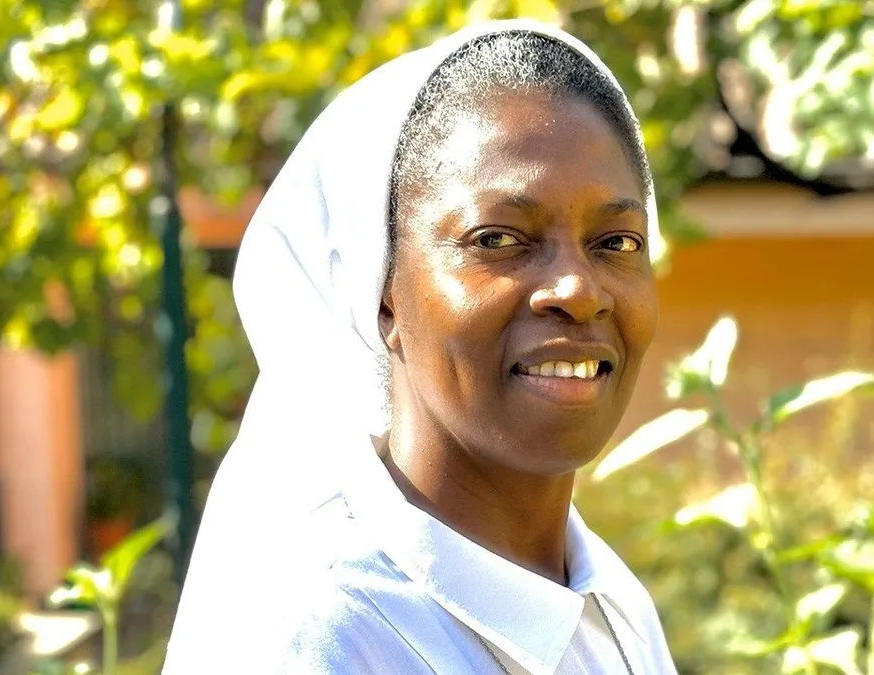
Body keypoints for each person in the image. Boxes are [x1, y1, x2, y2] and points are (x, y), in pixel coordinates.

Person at [162, 19, 676, 675]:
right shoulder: (324, 640)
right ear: (381, 294)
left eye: (617, 242)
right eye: (498, 239)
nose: (577, 290)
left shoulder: (615, 611)